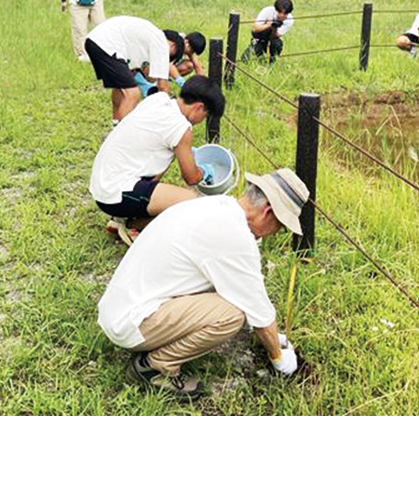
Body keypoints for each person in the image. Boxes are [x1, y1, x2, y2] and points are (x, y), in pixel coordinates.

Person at [97, 167, 309, 399]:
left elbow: (235, 285)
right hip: (131, 322)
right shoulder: (235, 235)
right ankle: (157, 365)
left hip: (121, 307)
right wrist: (279, 359)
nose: (272, 235)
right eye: (278, 229)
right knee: (232, 315)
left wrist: (271, 334)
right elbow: (257, 308)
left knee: (234, 302)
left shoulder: (215, 206)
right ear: (267, 213)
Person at [90, 75, 226, 243]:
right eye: (205, 116)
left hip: (102, 181)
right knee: (191, 202)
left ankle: (121, 217)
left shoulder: (158, 100)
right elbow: (191, 178)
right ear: (198, 107)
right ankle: (134, 223)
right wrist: (205, 172)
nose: (202, 121)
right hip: (113, 192)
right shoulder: (181, 127)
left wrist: (186, 152)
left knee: (164, 157)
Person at [84, 15, 185, 123]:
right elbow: (163, 86)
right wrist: (167, 112)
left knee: (120, 88)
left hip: (94, 40)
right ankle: (123, 135)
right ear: (173, 46)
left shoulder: (147, 37)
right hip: (106, 44)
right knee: (132, 93)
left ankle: (116, 125)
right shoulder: (161, 42)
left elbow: (141, 74)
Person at [242, 0, 294, 64]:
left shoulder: (289, 20)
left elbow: (276, 36)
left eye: (285, 14)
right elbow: (255, 29)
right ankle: (259, 52)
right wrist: (268, 25)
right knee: (245, 59)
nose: (282, 15)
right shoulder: (267, 11)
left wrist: (275, 27)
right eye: (280, 12)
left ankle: (272, 62)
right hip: (260, 36)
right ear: (276, 9)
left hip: (274, 38)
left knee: (277, 44)